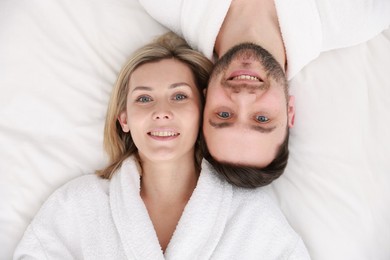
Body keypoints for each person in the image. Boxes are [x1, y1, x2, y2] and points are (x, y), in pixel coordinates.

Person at [13, 32, 310, 259]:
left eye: (179, 96)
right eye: (144, 98)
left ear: (202, 112)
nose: (161, 111)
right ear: (124, 118)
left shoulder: (251, 214)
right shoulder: (77, 206)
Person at [139, 0, 390, 187]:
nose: (243, 96)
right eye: (261, 119)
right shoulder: (360, 15)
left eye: (224, 114)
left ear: (204, 100)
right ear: (290, 111)